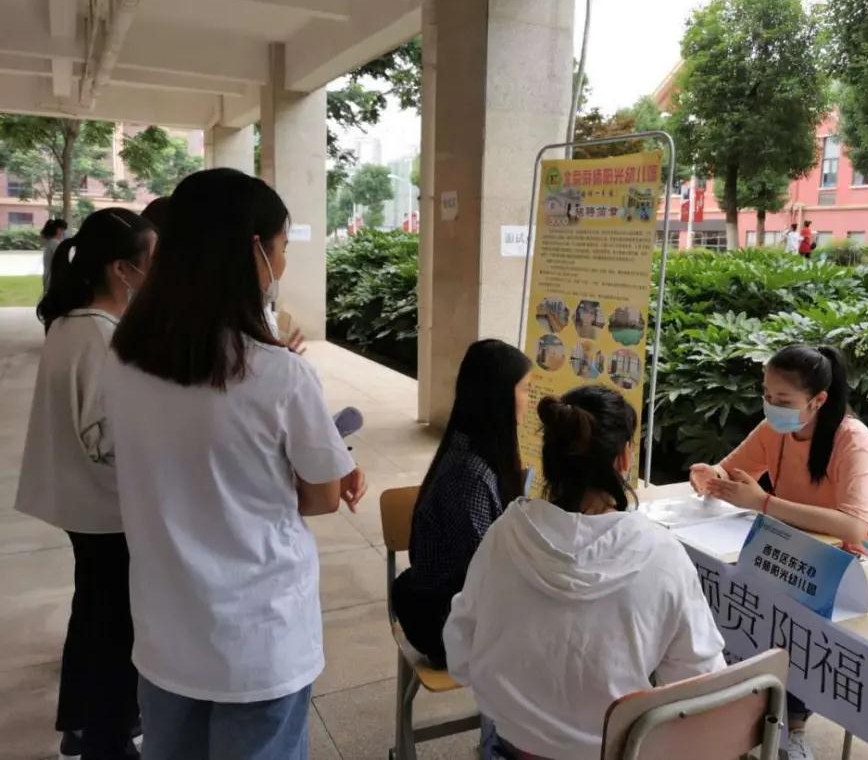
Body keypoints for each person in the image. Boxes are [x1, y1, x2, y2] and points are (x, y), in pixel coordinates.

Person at [103, 168, 366, 760]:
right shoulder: (278, 374)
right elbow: (322, 499)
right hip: (258, 639)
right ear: (254, 251)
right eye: (282, 246)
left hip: (167, 633)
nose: (284, 263)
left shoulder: (124, 357)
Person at [444, 386, 726, 760]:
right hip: (618, 750)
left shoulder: (505, 534)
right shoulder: (663, 554)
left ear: (549, 460)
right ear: (624, 459)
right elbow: (700, 686)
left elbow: (460, 654)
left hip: (512, 747)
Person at [689, 344, 868, 760]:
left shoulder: (853, 441)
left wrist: (762, 503)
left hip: (862, 561)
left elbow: (855, 527)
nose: (771, 406)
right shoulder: (776, 429)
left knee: (785, 606)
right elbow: (733, 469)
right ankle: (743, 702)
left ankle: (792, 727)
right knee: (729, 583)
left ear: (818, 401)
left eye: (783, 400)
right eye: (767, 395)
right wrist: (712, 475)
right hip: (795, 545)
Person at [16, 209, 155, 760]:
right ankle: (107, 742)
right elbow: (107, 439)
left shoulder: (69, 323)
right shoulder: (102, 337)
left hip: (82, 506)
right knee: (116, 631)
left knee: (94, 612)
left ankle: (79, 725)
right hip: (107, 511)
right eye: (152, 261)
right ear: (122, 269)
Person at [391, 339, 532, 668]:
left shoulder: (475, 454)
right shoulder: (468, 476)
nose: (530, 399)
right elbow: (485, 569)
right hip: (445, 622)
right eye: (525, 389)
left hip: (458, 604)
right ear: (499, 396)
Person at [41, 217, 69, 290]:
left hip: (50, 280)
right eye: (63, 230)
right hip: (53, 280)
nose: (64, 233)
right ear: (58, 230)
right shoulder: (54, 243)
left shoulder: (51, 242)